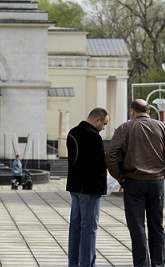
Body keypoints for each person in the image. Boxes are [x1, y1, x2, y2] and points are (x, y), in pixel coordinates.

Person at [106, 99, 165, 267]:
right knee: (157, 225)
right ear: (148, 111)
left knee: (137, 226)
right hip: (156, 182)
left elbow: (110, 155)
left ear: (132, 111)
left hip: (134, 180)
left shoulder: (125, 127)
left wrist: (120, 177)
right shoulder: (162, 127)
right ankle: (158, 263)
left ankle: (142, 264)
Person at [66, 107, 110, 267]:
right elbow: (100, 163)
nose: (104, 128)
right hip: (90, 188)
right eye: (104, 124)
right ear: (97, 120)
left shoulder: (72, 132)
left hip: (75, 186)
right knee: (89, 228)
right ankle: (87, 264)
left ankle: (74, 263)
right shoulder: (93, 137)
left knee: (75, 227)